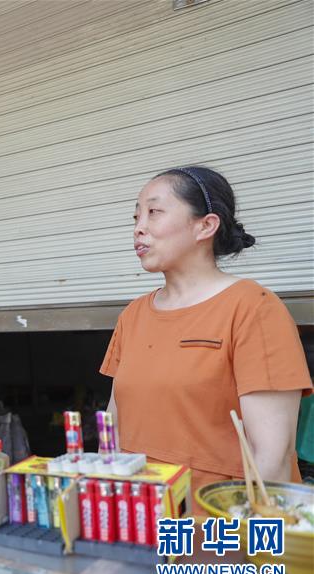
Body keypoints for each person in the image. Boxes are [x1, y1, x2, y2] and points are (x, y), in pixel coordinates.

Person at [101, 165, 312, 511]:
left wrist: (241, 539)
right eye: (136, 216)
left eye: (154, 212)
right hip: (141, 520)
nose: (139, 227)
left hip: (221, 527)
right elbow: (114, 427)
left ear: (206, 226)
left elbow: (271, 457)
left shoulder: (253, 308)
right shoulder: (134, 315)